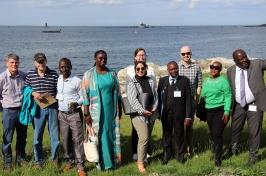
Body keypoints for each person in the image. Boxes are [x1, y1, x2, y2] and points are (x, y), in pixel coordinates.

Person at [81, 50, 122, 170]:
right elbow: (85, 96)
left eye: (105, 58)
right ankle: (101, 164)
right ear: (95, 59)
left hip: (110, 111)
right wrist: (86, 113)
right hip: (95, 112)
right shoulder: (88, 75)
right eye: (100, 58)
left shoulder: (112, 74)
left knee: (110, 135)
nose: (103, 60)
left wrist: (119, 109)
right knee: (99, 136)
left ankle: (112, 162)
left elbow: (118, 93)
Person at [226, 49, 266, 165]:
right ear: (235, 61)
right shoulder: (230, 71)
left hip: (254, 104)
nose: (244, 60)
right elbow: (232, 89)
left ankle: (253, 156)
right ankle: (233, 150)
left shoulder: (257, 64)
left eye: (245, 57)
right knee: (235, 129)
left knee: (254, 131)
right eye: (241, 59)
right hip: (238, 105)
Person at [25, 52, 59, 168]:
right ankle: (38, 161)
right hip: (38, 109)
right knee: (37, 136)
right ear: (35, 62)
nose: (41, 63)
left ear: (46, 61)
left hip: (52, 107)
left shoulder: (54, 74)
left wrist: (55, 98)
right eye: (38, 62)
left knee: (54, 135)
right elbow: (26, 88)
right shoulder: (30, 74)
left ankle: (54, 159)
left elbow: (59, 90)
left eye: (42, 61)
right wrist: (33, 93)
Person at [56, 58, 86, 176]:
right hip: (61, 114)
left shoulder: (77, 81)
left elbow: (84, 97)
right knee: (65, 139)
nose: (64, 69)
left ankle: (80, 165)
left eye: (66, 66)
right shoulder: (58, 79)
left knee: (77, 140)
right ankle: (69, 160)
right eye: (62, 67)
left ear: (71, 67)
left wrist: (77, 103)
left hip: (74, 114)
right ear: (59, 68)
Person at [126, 61, 158, 173]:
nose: (140, 70)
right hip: (138, 115)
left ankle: (143, 158)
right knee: (143, 137)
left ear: (146, 68)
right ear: (135, 70)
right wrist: (143, 111)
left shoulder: (151, 80)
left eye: (142, 68)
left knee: (147, 137)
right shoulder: (132, 83)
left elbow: (155, 95)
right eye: (138, 69)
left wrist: (154, 107)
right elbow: (132, 100)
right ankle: (140, 163)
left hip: (151, 113)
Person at [157, 61, 191, 165]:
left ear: (178, 68)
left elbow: (188, 100)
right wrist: (159, 113)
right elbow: (158, 97)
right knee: (166, 135)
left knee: (179, 135)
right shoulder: (163, 81)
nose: (174, 71)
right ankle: (167, 155)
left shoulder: (184, 80)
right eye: (171, 69)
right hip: (166, 114)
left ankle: (180, 156)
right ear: (168, 70)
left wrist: (188, 116)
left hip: (179, 115)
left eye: (175, 68)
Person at [201, 61, 232, 166]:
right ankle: (216, 150)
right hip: (209, 111)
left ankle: (218, 159)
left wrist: (227, 111)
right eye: (211, 67)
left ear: (220, 70)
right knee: (213, 133)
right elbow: (203, 95)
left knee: (217, 134)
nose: (213, 69)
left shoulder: (223, 81)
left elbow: (228, 96)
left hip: (220, 110)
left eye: (216, 68)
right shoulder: (206, 81)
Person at [0, 53, 27, 168]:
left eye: (16, 62)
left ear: (19, 63)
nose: (14, 64)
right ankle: (8, 161)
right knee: (8, 137)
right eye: (11, 62)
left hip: (22, 111)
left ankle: (20, 159)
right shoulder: (2, 77)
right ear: (7, 63)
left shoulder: (23, 75)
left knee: (22, 137)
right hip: (8, 111)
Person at [178, 45, 202, 156]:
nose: (186, 55)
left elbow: (199, 84)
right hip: (179, 101)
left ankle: (190, 149)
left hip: (191, 101)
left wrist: (196, 100)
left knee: (189, 126)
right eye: (183, 54)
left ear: (191, 53)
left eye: (188, 53)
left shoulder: (197, 67)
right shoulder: (177, 67)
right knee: (179, 126)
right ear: (180, 55)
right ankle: (181, 149)